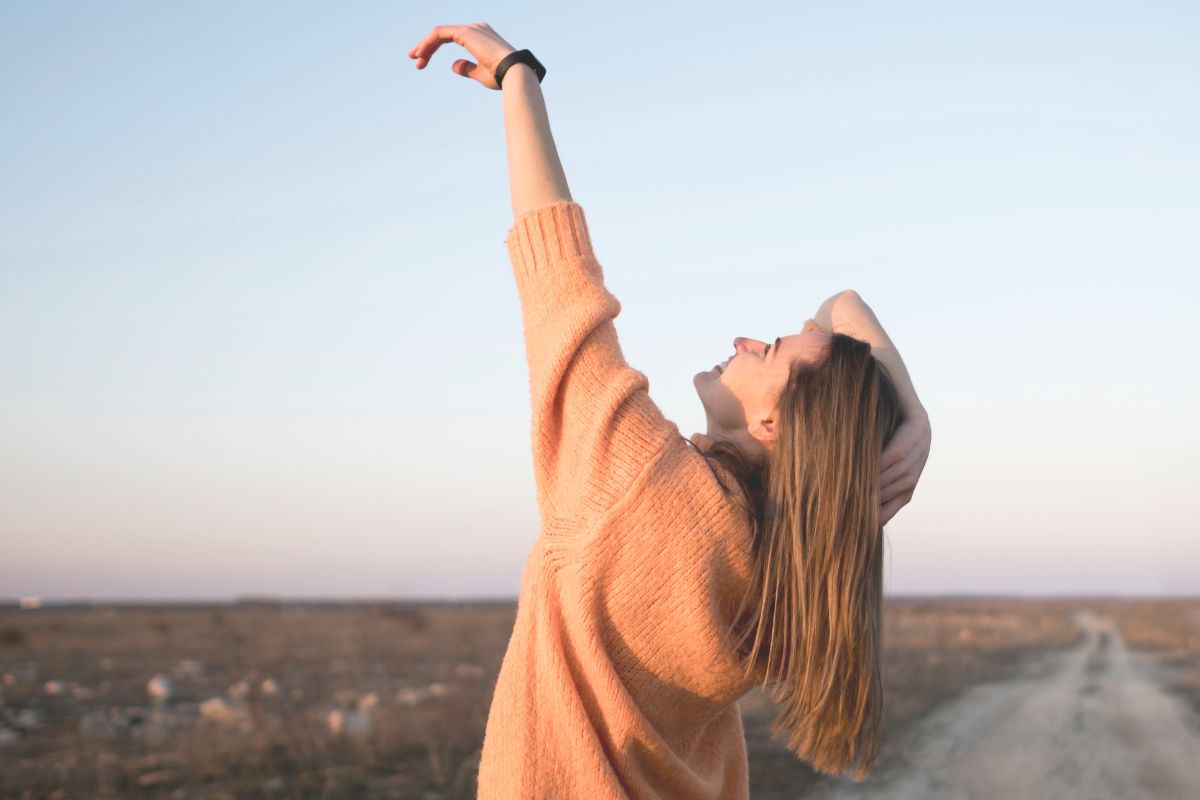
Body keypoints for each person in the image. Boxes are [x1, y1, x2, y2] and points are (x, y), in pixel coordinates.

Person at [410, 23, 932, 800]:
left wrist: (519, 75)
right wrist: (909, 413)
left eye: (772, 350)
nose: (746, 339)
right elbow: (842, 306)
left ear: (775, 427)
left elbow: (558, 275)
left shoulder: (643, 480)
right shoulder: (800, 555)